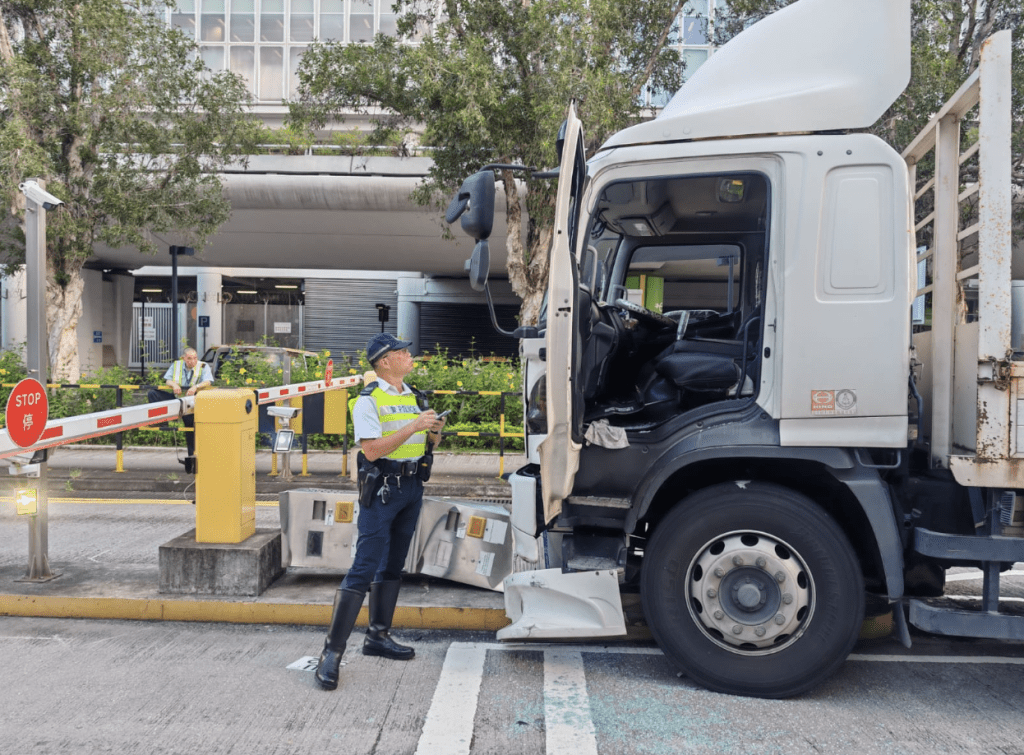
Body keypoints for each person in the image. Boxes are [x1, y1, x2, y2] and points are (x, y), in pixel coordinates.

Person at [314, 333, 446, 691]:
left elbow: (423, 441)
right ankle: (331, 653)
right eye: (401, 352)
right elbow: (371, 450)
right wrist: (414, 426)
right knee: (364, 567)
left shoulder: (414, 396)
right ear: (384, 361)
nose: (408, 355)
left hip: (412, 488)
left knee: (393, 566)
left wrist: (434, 432)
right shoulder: (367, 401)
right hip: (384, 490)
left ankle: (377, 636)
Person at [147, 347, 213, 462]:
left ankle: (192, 460)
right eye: (189, 359)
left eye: (195, 358)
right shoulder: (177, 365)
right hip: (177, 399)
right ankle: (162, 421)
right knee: (153, 394)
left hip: (192, 402)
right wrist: (174, 385)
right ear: (183, 358)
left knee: (190, 431)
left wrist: (195, 387)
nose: (193, 361)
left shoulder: (203, 366)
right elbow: (167, 379)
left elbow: (208, 381)